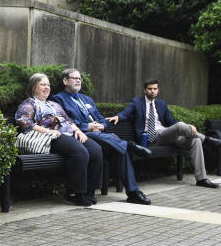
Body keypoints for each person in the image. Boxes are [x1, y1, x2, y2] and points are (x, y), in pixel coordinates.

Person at [52, 68, 152, 205]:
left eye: (79, 78)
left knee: (120, 151)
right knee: (119, 146)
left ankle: (133, 192)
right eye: (74, 78)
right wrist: (87, 127)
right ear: (65, 80)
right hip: (81, 137)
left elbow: (101, 118)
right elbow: (65, 121)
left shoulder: (87, 99)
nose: (78, 80)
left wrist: (102, 126)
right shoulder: (58, 99)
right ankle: (128, 145)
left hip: (100, 137)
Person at [108, 78, 221, 188]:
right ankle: (207, 140)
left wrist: (188, 126)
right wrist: (118, 116)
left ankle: (201, 179)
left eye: (155, 89)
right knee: (180, 126)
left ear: (158, 90)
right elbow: (126, 112)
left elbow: (172, 122)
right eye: (149, 89)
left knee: (195, 140)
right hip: (151, 138)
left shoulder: (161, 104)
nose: (152, 91)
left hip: (166, 135)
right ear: (145, 90)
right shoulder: (137, 102)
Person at [15, 73, 103, 206]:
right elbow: (24, 121)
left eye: (48, 85)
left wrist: (78, 131)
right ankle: (74, 193)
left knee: (96, 150)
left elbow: (68, 120)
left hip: (68, 134)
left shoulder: (54, 104)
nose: (47, 87)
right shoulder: (30, 103)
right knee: (80, 152)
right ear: (34, 87)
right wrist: (48, 131)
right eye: (43, 84)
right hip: (50, 137)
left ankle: (88, 191)